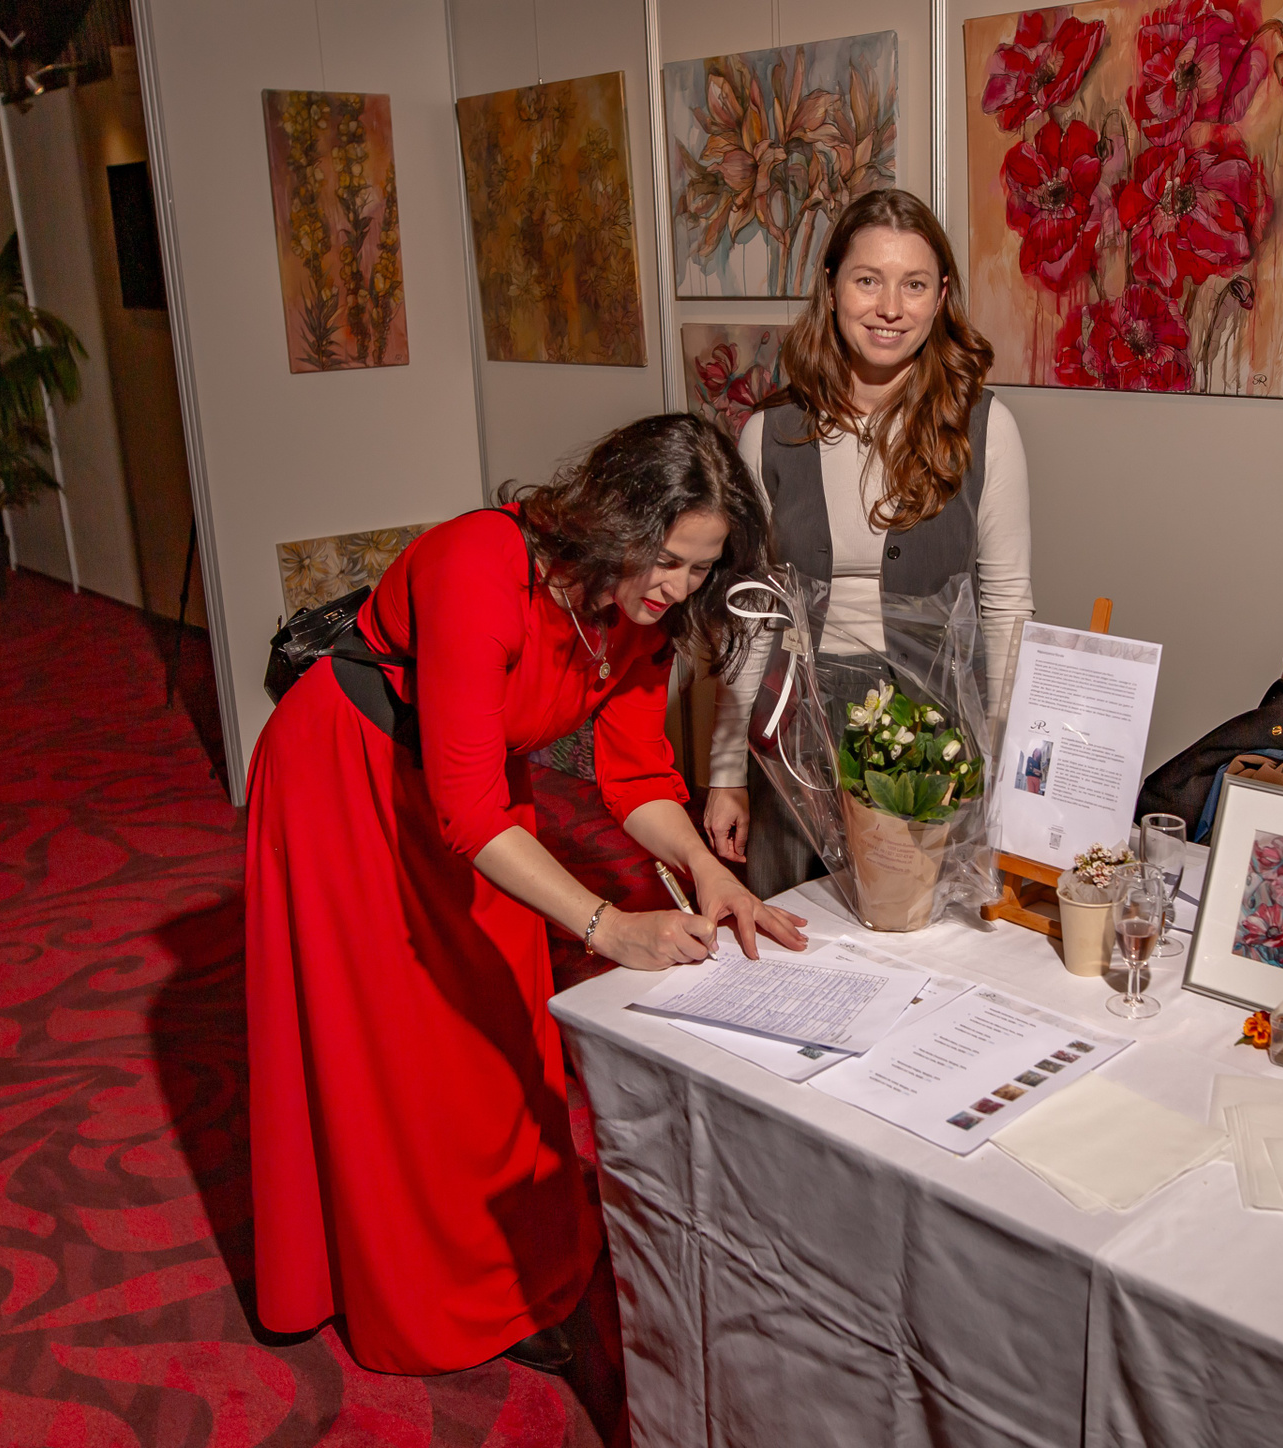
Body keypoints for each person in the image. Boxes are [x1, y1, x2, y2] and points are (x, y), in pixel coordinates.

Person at [244, 415, 807, 1387]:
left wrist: (705, 869)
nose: (677, 587)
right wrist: (607, 924)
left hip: (470, 785)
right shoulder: (479, 563)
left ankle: (515, 1276)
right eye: (666, 558)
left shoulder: (642, 611)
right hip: (350, 778)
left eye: (701, 568)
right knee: (393, 1043)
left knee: (508, 1033)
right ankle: (399, 1287)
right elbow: (469, 811)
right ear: (616, 519)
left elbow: (635, 775)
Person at [703, 188, 1034, 898]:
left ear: (941, 297)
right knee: (793, 933)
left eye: (914, 284)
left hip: (933, 738)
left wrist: (1003, 763)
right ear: (831, 287)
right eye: (867, 280)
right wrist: (726, 773)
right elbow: (751, 619)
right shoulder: (770, 433)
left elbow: (1008, 607)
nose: (890, 307)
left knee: (918, 936)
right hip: (795, 732)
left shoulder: (984, 429)